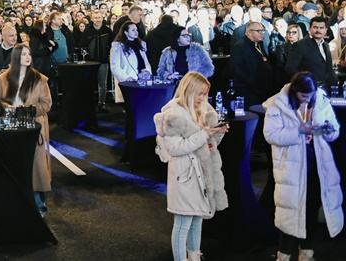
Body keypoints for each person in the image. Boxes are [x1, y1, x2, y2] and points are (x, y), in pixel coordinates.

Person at [263, 72, 343, 261]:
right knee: (290, 210)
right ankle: (284, 254)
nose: (307, 99)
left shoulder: (320, 99)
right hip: (291, 166)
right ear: (294, 91)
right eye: (303, 96)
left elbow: (334, 129)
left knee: (312, 207)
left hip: (317, 164)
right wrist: (299, 130)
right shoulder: (277, 104)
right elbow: (271, 135)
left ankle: (306, 251)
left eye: (310, 95)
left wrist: (330, 131)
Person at [154, 72, 229, 261]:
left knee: (197, 218)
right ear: (188, 91)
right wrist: (204, 134)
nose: (203, 98)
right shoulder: (173, 114)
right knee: (182, 224)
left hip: (201, 175)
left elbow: (209, 146)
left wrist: (217, 133)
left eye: (205, 94)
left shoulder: (203, 110)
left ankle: (194, 256)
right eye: (200, 94)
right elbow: (176, 148)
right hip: (184, 176)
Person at [0, 44, 52, 215]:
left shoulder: (40, 79)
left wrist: (27, 110)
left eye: (29, 54)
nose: (28, 57)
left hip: (33, 128)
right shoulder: (2, 79)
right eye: (24, 54)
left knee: (36, 167)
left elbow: (46, 104)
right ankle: (16, 205)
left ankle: (38, 204)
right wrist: (7, 107)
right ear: (16, 57)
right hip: (11, 127)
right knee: (15, 164)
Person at [285, 16, 338, 91]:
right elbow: (290, 68)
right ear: (310, 28)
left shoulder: (326, 45)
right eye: (315, 27)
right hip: (308, 89)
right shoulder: (300, 45)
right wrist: (304, 82)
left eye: (321, 28)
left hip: (326, 88)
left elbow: (328, 68)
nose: (318, 30)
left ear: (326, 30)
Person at [230, 20, 274, 109]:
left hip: (263, 90)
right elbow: (236, 69)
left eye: (263, 31)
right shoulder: (239, 47)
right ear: (249, 33)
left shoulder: (260, 45)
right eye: (259, 31)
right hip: (248, 91)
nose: (262, 33)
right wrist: (252, 82)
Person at [110, 21, 152, 103]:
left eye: (136, 30)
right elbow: (115, 67)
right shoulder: (118, 47)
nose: (136, 32)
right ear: (125, 32)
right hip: (129, 82)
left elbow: (146, 63)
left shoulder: (141, 45)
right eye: (133, 30)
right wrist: (126, 78)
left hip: (142, 81)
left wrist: (147, 73)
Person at [80, 10, 113, 112]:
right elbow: (83, 44)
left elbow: (112, 44)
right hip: (91, 62)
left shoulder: (107, 31)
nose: (97, 20)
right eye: (95, 18)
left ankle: (101, 103)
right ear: (92, 19)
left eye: (99, 17)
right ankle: (89, 103)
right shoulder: (88, 31)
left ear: (102, 18)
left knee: (102, 84)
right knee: (89, 83)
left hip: (103, 61)